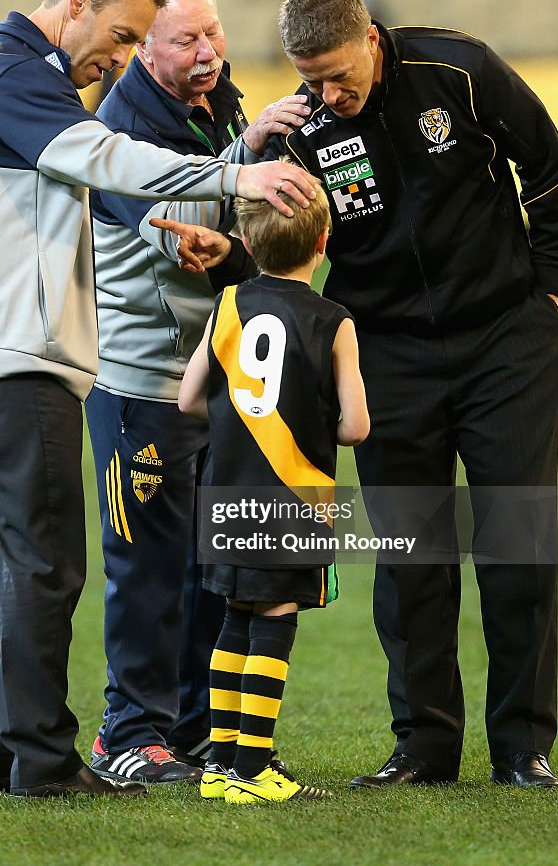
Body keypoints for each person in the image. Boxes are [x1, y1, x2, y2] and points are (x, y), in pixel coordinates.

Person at [0, 0, 317, 800]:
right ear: (79, 1)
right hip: (9, 360)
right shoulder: (19, 77)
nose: (119, 60)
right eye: (125, 37)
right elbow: (104, 159)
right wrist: (236, 179)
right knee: (46, 567)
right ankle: (46, 765)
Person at [172, 0, 558, 789]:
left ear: (368, 38)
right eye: (308, 78)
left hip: (506, 339)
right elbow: (280, 240)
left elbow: (543, 158)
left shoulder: (458, 69)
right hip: (384, 352)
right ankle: (422, 746)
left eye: (334, 74)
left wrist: (549, 280)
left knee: (514, 543)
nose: (325, 93)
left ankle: (521, 748)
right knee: (410, 555)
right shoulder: (302, 130)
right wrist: (231, 253)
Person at [85, 0, 310, 786]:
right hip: (141, 387)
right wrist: (240, 171)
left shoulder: (218, 102)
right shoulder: (119, 129)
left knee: (213, 567)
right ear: (144, 45)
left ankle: (197, 732)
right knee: (144, 570)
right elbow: (178, 234)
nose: (210, 50)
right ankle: (127, 737)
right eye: (187, 40)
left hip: (212, 384)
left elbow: (232, 240)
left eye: (213, 32)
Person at [178, 185, 369, 802]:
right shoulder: (333, 320)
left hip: (225, 488)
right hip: (294, 497)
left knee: (234, 616)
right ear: (322, 242)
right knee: (276, 622)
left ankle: (219, 767)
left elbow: (188, 400)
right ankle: (254, 768)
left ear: (250, 243)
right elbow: (356, 426)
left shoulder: (228, 302)